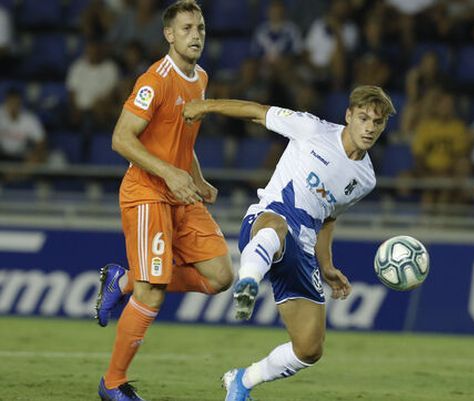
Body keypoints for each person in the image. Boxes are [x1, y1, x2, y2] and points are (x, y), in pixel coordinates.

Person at [181, 84, 396, 401]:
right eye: (363, 118)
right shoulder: (311, 129)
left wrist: (326, 265)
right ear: (349, 115)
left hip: (303, 251)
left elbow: (328, 217)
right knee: (276, 227)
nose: (369, 127)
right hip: (266, 220)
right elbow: (256, 112)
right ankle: (248, 282)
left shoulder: (365, 179)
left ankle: (242, 380)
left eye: (377, 122)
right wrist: (206, 106)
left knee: (310, 348)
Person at [95, 2, 234, 400]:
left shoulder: (201, 78)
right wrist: (171, 174)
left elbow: (179, 139)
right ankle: (113, 384)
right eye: (187, 27)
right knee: (151, 291)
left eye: (202, 28)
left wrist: (195, 176)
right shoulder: (154, 80)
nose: (196, 34)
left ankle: (122, 280)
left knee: (220, 277)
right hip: (147, 193)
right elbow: (121, 139)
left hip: (181, 192)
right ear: (169, 35)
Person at [0, 87, 46, 165]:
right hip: (2, 154)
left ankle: (15, 176)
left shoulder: (29, 118)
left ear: (20, 103)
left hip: (21, 155)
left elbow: (41, 140)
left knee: (40, 157)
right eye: (11, 102)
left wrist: (35, 154)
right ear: (6, 102)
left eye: (16, 102)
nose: (13, 106)